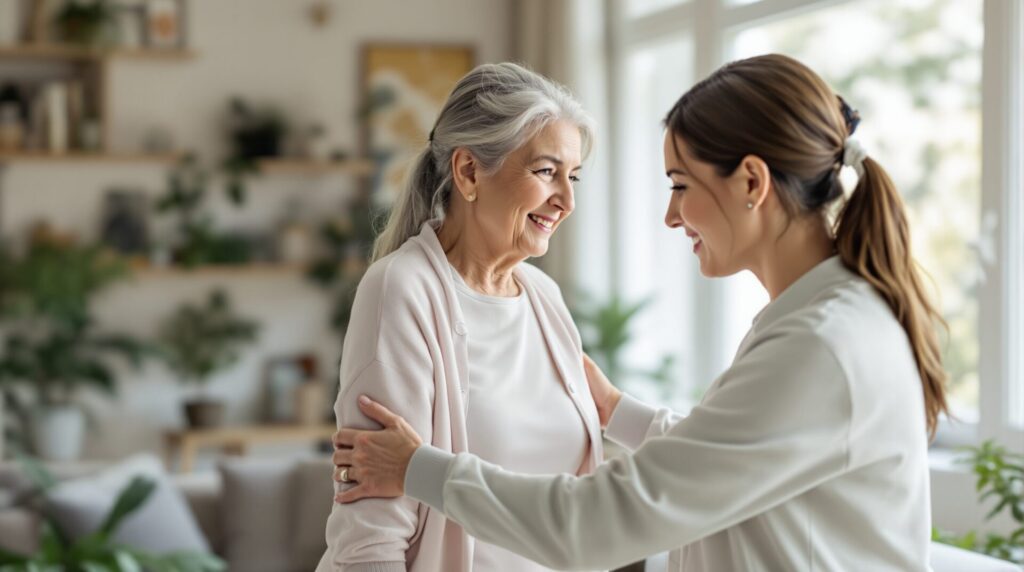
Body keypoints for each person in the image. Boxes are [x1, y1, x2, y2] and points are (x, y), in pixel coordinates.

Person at [329, 54, 950, 571]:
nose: (671, 216)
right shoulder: (822, 323)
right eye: (547, 172)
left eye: (680, 185)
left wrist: (418, 469)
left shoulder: (821, 344)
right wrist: (616, 410)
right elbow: (724, 459)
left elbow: (600, 521)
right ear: (468, 171)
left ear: (752, 183)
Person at [316, 62, 606, 572]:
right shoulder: (401, 289)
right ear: (469, 171)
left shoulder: (545, 299)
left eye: (574, 176)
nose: (567, 200)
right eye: (546, 172)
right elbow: (370, 539)